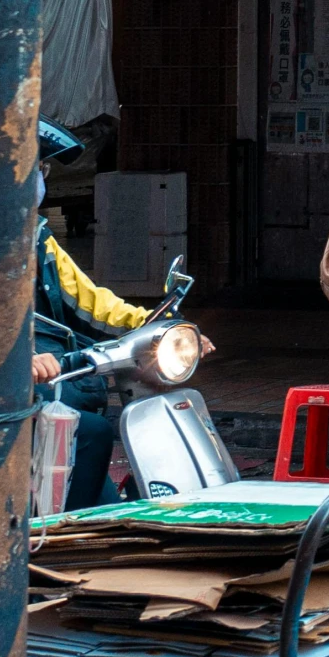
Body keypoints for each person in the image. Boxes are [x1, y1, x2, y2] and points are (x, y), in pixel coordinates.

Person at [31, 119, 216, 507]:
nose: (38, 178)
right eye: (32, 167)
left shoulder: (36, 238)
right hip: (3, 398)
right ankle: (58, 545)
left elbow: (91, 302)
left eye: (41, 169)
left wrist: (157, 326)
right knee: (93, 433)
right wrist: (18, 360)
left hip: (59, 385)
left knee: (105, 493)